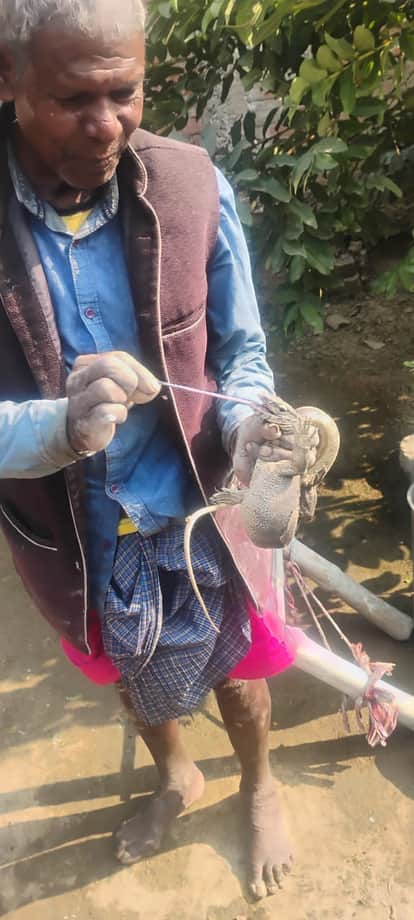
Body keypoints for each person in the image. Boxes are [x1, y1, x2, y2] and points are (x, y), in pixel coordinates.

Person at [0, 0, 314, 900]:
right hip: (77, 534)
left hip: (198, 511)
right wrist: (57, 426)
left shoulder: (192, 185)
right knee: (134, 677)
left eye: (125, 92)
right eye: (72, 99)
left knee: (242, 678)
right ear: (7, 78)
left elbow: (241, 355)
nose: (107, 126)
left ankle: (259, 782)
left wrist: (249, 428)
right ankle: (177, 773)